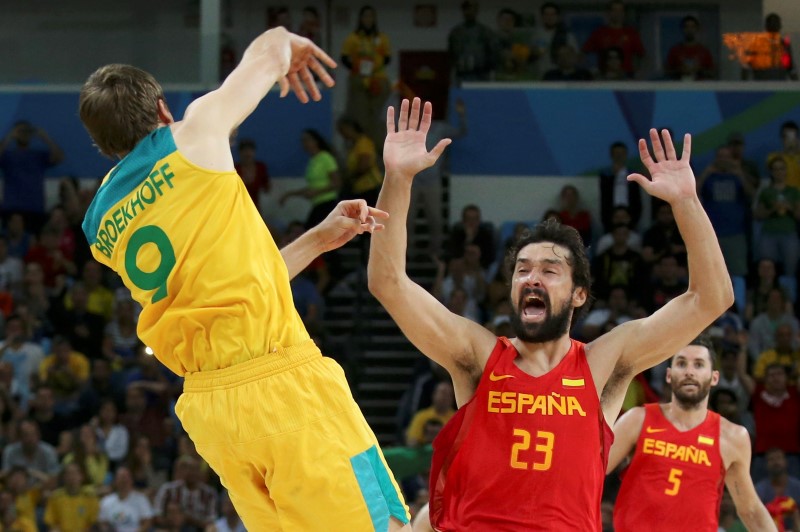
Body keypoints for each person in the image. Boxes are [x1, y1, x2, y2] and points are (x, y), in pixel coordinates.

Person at [78, 27, 410, 530]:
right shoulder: (194, 134)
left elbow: (232, 286)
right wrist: (285, 44)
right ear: (163, 110)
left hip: (213, 412)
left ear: (102, 146)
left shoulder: (99, 223)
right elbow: (268, 48)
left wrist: (318, 239)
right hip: (280, 386)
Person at [369, 97, 732, 529]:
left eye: (549, 270)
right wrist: (398, 178)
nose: (531, 278)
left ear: (579, 294)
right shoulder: (480, 356)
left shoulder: (601, 363)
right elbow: (388, 283)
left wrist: (687, 202)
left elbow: (711, 297)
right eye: (522, 270)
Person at [607, 337, 775, 531]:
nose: (689, 371)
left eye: (698, 364)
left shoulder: (732, 437)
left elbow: (750, 509)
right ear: (669, 375)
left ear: (714, 377)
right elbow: (590, 471)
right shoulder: (636, 420)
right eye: (681, 363)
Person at [279, 129, 341, 229]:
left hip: (327, 203)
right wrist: (289, 194)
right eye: (303, 141)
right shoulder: (313, 160)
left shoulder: (325, 158)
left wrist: (317, 192)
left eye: (307, 140)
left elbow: (336, 182)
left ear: (316, 141)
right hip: (317, 203)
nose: (305, 143)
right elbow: (311, 187)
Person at [665, 15, 715, 80]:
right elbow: (667, 72)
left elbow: (712, 73)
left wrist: (699, 70)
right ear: (682, 29)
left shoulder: (704, 51)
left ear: (697, 29)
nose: (689, 30)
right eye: (686, 27)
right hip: (679, 88)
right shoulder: (675, 50)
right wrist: (680, 70)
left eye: (692, 27)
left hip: (700, 88)